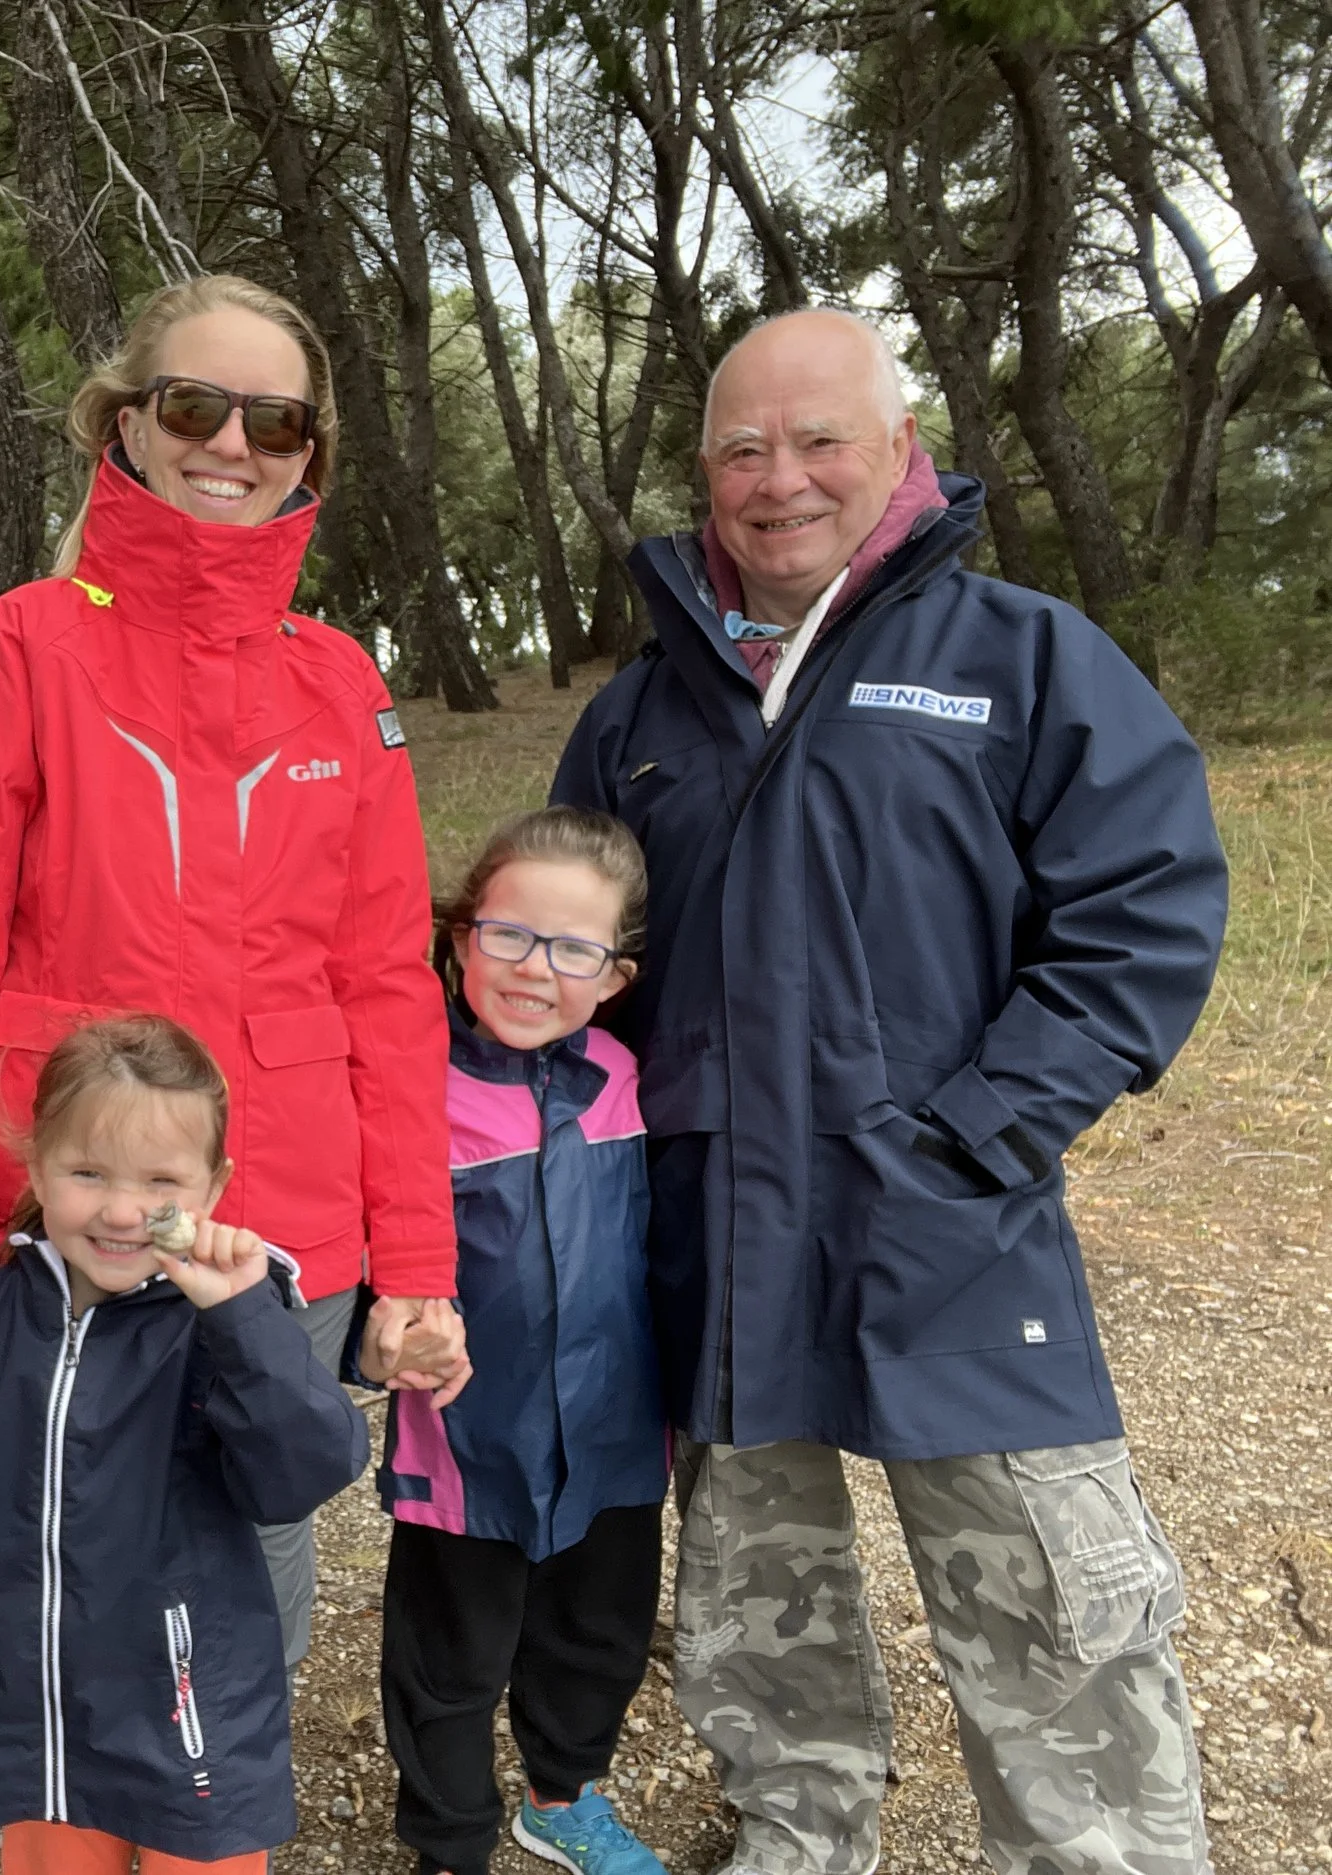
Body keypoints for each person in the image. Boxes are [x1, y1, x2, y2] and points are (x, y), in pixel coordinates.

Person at [554, 309, 1227, 1875]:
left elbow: (1142, 913)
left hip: (953, 1226)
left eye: (819, 441)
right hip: (719, 1239)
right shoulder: (637, 716)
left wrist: (982, 1130)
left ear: (902, 449)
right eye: (742, 448)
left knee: (1050, 1606)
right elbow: (572, 966)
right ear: (705, 473)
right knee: (755, 1601)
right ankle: (799, 1834)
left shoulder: (1021, 658)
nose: (778, 478)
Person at [0, 275, 466, 1667]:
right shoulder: (20, 647)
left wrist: (417, 1263)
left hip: (288, 1218)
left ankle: (226, 1786)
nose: (233, 444)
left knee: (258, 1562)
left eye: (278, 421)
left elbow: (388, 990)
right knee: (51, 1556)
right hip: (67, 1198)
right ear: (127, 423)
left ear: (310, 453)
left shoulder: (343, 685)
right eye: (196, 406)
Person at [0, 1015, 369, 1874]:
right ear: (37, 1167)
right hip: (39, 1710)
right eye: (88, 1172)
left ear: (214, 1186)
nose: (123, 1210)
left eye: (161, 1181)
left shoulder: (227, 1323)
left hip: (192, 1707)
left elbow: (306, 1467)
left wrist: (242, 1319)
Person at [373, 807, 667, 1875]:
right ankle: (450, 1843)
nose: (536, 969)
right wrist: (382, 1349)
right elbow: (375, 1280)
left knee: (597, 1636)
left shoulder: (628, 1081)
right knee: (447, 1660)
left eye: (574, 949)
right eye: (509, 935)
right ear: (460, 937)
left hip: (613, 1439)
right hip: (465, 1450)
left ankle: (562, 1797)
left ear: (615, 977)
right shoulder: (407, 1094)